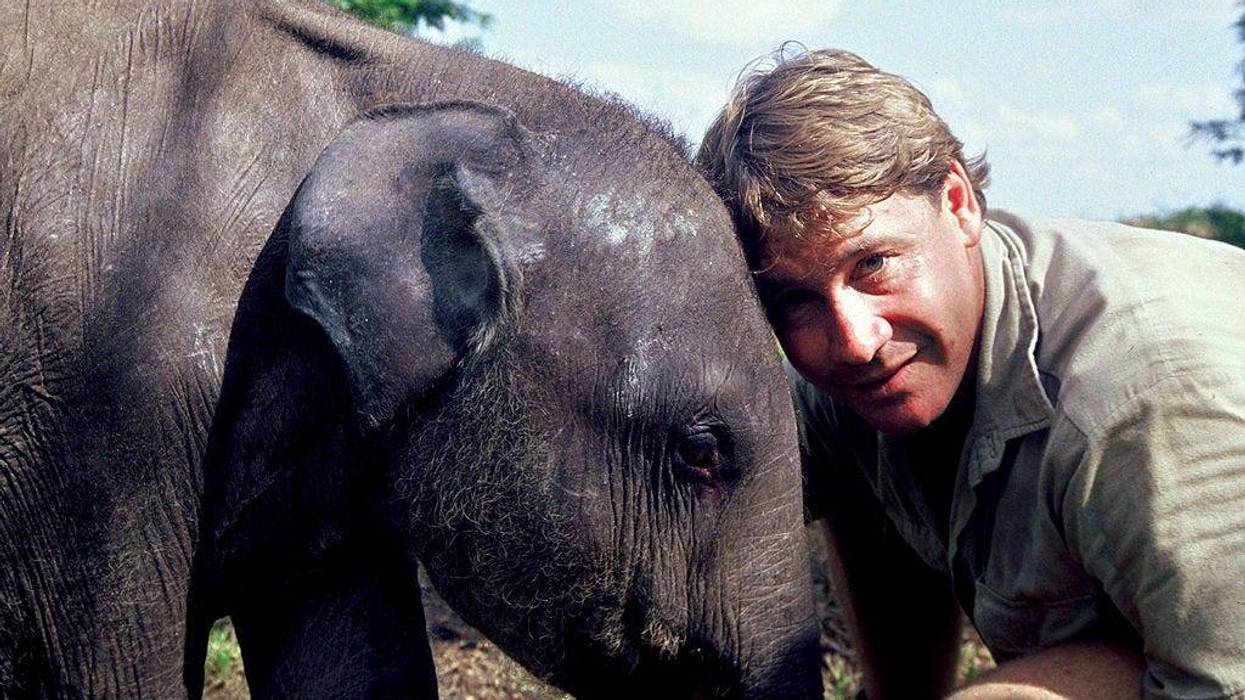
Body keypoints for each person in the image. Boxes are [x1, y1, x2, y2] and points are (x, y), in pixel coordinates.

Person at [696, 47, 1245, 700]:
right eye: (795, 299)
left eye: (873, 264)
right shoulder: (868, 363)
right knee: (856, 451)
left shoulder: (1143, 402)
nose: (852, 341)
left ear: (956, 203)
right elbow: (699, 502)